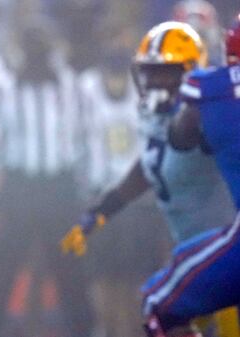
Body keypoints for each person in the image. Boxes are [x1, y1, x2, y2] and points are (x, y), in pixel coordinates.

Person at [61, 21, 236, 336]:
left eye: (165, 72)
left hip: (222, 257)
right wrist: (99, 214)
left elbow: (190, 142)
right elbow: (151, 166)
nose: (154, 81)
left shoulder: (206, 114)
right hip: (191, 254)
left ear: (190, 71)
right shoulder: (158, 117)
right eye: (149, 71)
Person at [142, 14, 240, 337]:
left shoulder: (208, 90)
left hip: (229, 240)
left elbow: (180, 135)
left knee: (156, 303)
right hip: (204, 226)